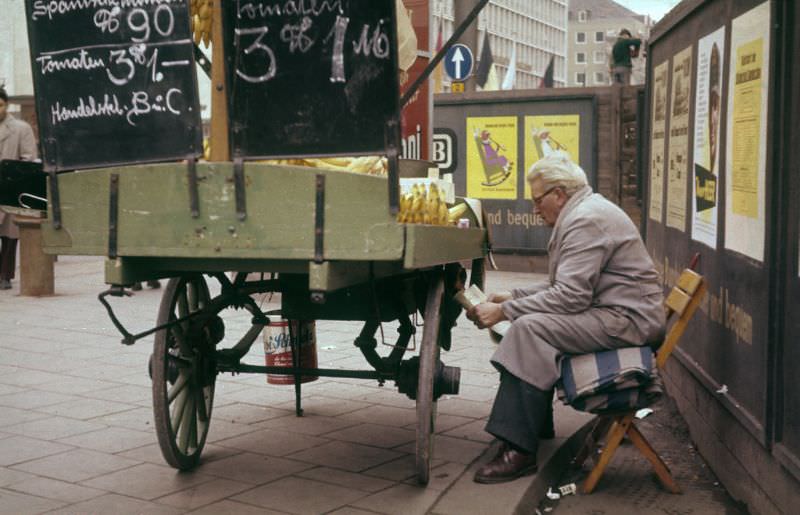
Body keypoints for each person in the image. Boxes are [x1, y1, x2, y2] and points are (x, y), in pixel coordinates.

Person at [466, 152, 665, 484]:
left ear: (559, 194)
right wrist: (514, 297)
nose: (534, 208)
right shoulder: (586, 211)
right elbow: (566, 285)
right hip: (619, 313)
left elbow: (570, 297)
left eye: (537, 199)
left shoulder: (585, 219)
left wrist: (505, 311)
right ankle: (533, 428)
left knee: (529, 329)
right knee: (530, 326)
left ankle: (520, 450)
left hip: (627, 321)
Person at [0, 87, 38, 290]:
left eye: (0, 105)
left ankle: (5, 275)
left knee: (9, 236)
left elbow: (29, 158)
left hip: (10, 188)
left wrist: (14, 178)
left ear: (6, 105)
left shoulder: (21, 128)